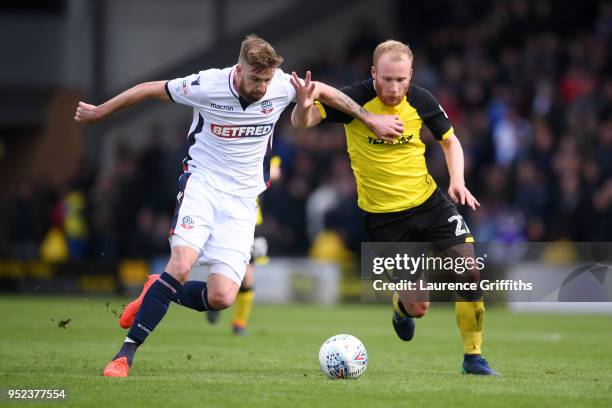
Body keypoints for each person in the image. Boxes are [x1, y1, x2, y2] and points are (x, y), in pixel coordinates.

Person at [74, 34, 402, 378]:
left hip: (243, 200)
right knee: (182, 265)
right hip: (202, 186)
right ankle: (125, 354)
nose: (263, 87)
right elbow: (148, 89)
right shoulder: (206, 84)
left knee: (221, 297)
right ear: (239, 68)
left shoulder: (281, 85)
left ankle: (157, 289)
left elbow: (327, 92)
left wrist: (369, 119)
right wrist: (100, 112)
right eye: (256, 79)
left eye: (267, 79)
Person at [290, 40, 499, 375]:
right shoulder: (355, 99)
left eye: (401, 79)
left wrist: (457, 179)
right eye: (387, 79)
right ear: (374, 73)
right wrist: (303, 104)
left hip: (430, 203)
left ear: (411, 75)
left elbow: (450, 140)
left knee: (468, 269)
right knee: (419, 306)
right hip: (385, 219)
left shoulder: (421, 99)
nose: (394, 87)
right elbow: (304, 121)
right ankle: (401, 307)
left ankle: (473, 357)